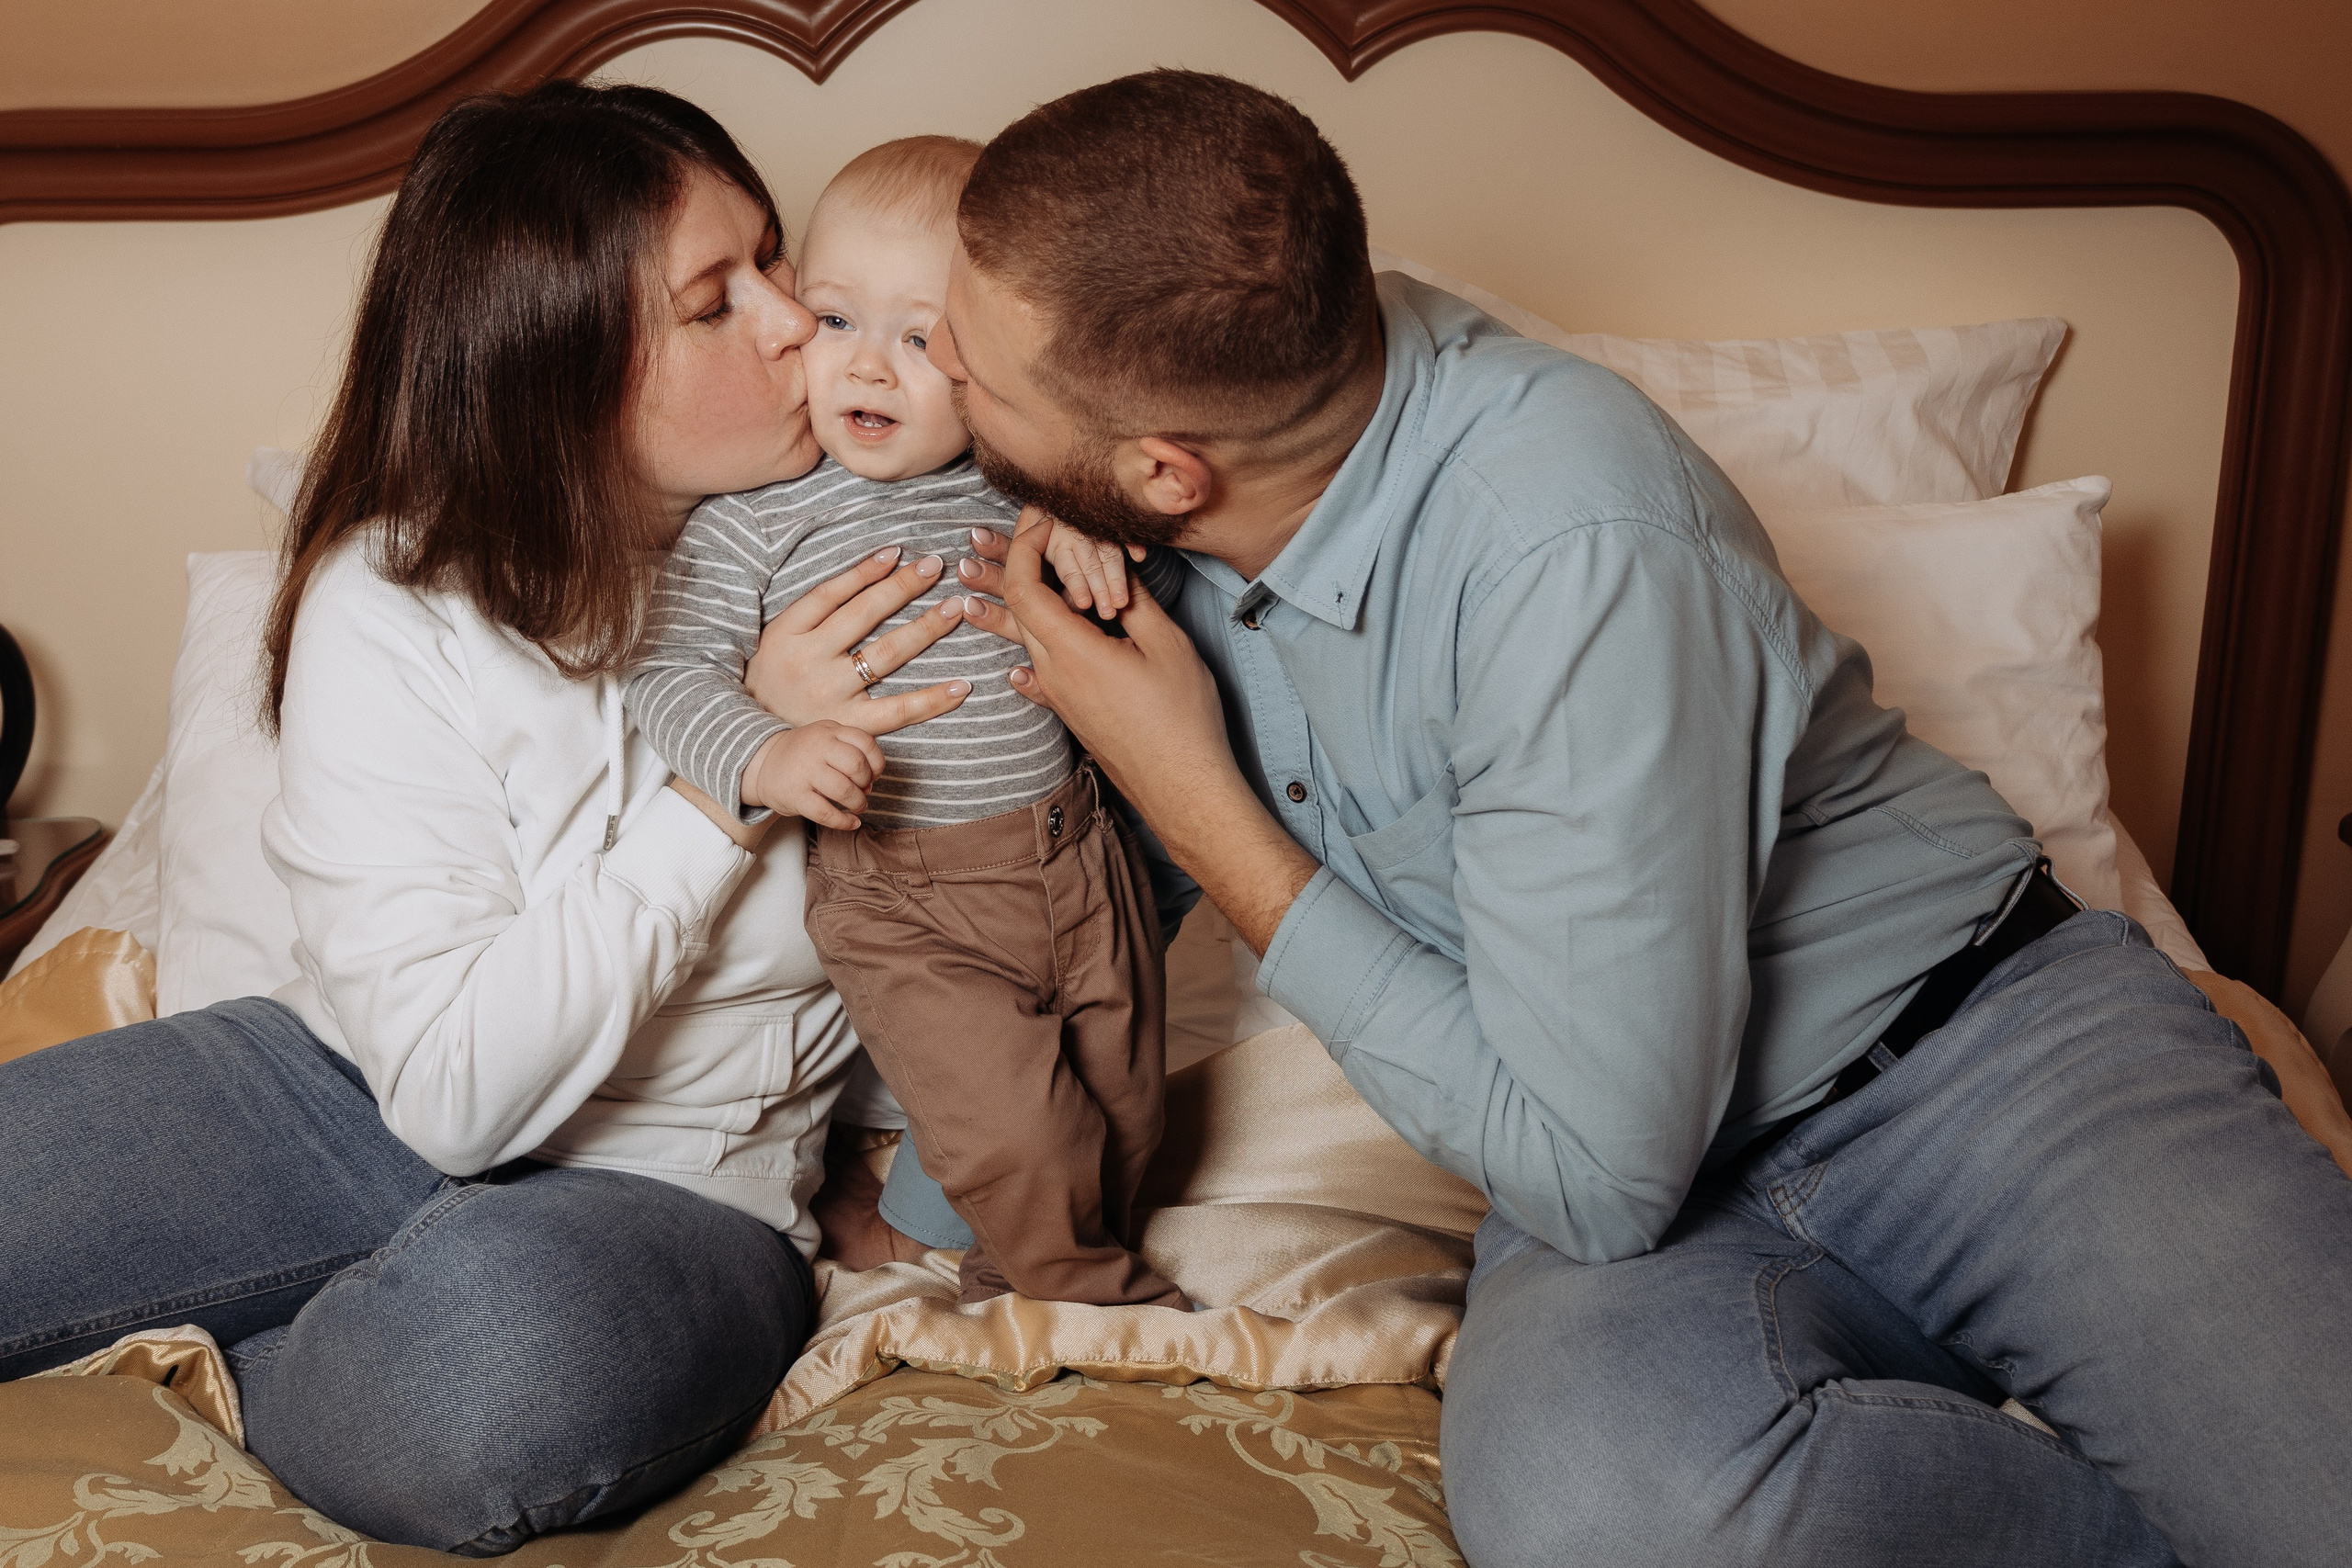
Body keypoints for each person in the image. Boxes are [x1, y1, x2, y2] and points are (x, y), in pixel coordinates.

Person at [926, 68, 2352, 1567]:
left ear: (1167, 463)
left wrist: (1200, 804)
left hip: (1986, 1065)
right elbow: (1605, 1184)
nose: (934, 369)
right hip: (1647, 1191)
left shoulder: (1567, 543)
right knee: (1602, 1514)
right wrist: (934, 1195)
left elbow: (1590, 1163)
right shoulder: (1210, 462)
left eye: (967, 368)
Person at [0, 82, 988, 1553]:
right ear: (563, 371)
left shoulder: (897, 551)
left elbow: (1054, 889)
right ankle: (318, 1280)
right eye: (721, 303)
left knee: (467, 1392)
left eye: (775, 263)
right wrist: (720, 782)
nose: (801, 323)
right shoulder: (394, 594)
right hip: (338, 1087)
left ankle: (317, 1331)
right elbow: (447, 1092)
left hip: (675, 1185)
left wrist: (918, 1171)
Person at [627, 134, 1185, 1310]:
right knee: (1017, 1126)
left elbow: (1147, 591)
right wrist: (766, 752)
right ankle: (1087, 1301)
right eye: (835, 321)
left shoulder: (1023, 473)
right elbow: (668, 677)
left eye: (921, 339)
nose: (869, 368)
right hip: (905, 894)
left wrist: (1090, 527)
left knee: (1125, 1103)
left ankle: (979, 1248)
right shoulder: (755, 516)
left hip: (1077, 851)